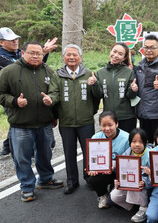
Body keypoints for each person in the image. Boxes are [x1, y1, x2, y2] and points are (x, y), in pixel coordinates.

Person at [0, 41, 62, 201]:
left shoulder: (49, 71)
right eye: (32, 53)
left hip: (45, 122)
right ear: (23, 53)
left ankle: (46, 179)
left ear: (43, 55)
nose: (35, 56)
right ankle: (27, 186)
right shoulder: (9, 71)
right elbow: (1, 94)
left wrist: (54, 115)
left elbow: (56, 93)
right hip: (21, 125)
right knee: (22, 157)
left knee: (45, 153)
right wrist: (15, 102)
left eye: (39, 53)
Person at [45, 44, 100, 194]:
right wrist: (50, 99)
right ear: (64, 57)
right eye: (68, 54)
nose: (71, 57)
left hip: (86, 121)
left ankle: (89, 178)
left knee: (88, 152)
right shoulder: (58, 76)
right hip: (66, 122)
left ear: (80, 58)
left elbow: (97, 96)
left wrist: (94, 86)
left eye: (75, 54)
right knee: (69, 153)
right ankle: (72, 181)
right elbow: (54, 93)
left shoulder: (89, 74)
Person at [0, 27, 57, 157]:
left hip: (32, 98)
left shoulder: (18, 53)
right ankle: (12, 148)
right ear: (1, 42)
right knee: (18, 121)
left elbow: (34, 65)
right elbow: (20, 65)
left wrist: (40, 53)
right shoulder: (3, 58)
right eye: (10, 40)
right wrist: (41, 51)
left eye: (16, 39)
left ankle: (8, 146)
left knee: (27, 120)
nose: (15, 42)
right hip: (11, 96)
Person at [86, 111, 130, 209]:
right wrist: (92, 168)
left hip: (120, 172)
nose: (107, 129)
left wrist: (113, 167)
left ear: (117, 124)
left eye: (110, 125)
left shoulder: (126, 138)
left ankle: (113, 192)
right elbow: (92, 159)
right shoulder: (95, 138)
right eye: (103, 125)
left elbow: (129, 162)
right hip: (104, 171)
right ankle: (103, 195)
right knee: (93, 179)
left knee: (117, 204)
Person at [92, 43, 137, 133]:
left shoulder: (128, 72)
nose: (116, 55)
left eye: (120, 54)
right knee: (110, 145)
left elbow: (131, 96)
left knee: (126, 144)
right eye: (114, 51)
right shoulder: (101, 72)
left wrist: (133, 90)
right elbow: (99, 95)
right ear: (110, 51)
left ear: (124, 58)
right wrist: (94, 84)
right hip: (108, 117)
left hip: (126, 117)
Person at [110, 128, 151, 223]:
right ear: (130, 143)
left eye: (140, 142)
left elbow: (155, 179)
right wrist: (118, 180)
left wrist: (145, 181)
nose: (137, 144)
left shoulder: (150, 155)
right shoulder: (128, 152)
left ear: (146, 142)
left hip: (146, 187)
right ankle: (134, 206)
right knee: (114, 196)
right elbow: (122, 170)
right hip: (130, 183)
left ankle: (144, 208)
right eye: (133, 141)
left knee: (138, 184)